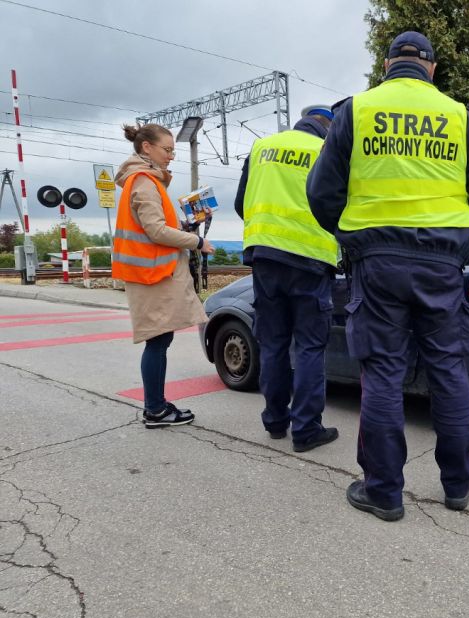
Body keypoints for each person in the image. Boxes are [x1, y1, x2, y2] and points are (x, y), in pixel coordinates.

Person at [307, 31, 469, 521]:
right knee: (448, 371)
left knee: (382, 372)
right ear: (432, 69)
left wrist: (355, 237)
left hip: (376, 265)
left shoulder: (355, 111)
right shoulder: (460, 118)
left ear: (386, 64)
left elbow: (321, 192)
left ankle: (383, 491)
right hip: (443, 265)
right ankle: (458, 483)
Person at [234, 107, 340, 452]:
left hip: (265, 259)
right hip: (311, 261)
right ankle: (307, 429)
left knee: (274, 343)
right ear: (327, 127)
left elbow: (240, 203)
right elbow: (340, 206)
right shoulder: (326, 151)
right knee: (309, 346)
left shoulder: (262, 147)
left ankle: (276, 422)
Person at [115, 123, 214, 428]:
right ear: (147, 148)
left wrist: (184, 227)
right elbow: (155, 231)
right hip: (152, 273)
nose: (172, 156)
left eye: (173, 150)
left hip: (151, 271)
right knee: (158, 341)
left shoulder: (146, 180)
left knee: (160, 339)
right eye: (167, 149)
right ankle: (155, 409)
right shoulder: (144, 180)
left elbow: (155, 226)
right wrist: (197, 241)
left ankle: (156, 404)